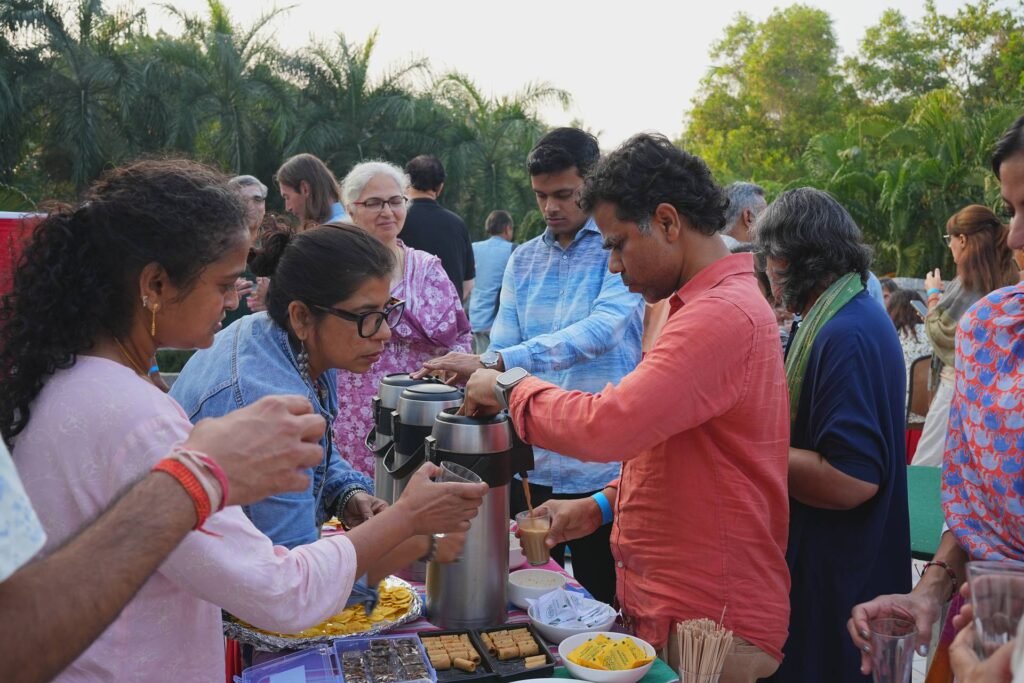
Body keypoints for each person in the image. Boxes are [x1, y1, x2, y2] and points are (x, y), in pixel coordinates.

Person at [1, 159, 486, 682]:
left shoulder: (83, 374)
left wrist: (348, 495)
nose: (234, 300)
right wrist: (408, 521)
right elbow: (282, 593)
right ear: (156, 285)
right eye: (224, 284)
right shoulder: (145, 416)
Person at [460, 133, 790, 682]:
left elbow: (610, 426)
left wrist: (507, 386)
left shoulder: (720, 315)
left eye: (616, 245)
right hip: (671, 604)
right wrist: (599, 507)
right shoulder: (685, 307)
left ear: (665, 222)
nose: (612, 266)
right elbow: (678, 450)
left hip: (710, 616)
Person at [415, 128, 644, 605]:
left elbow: (600, 330)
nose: (550, 208)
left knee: (601, 602)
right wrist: (492, 368)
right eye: (541, 196)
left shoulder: (617, 249)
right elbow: (504, 338)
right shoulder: (523, 260)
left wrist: (496, 363)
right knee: (527, 594)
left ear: (593, 183)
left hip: (600, 469)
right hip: (531, 459)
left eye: (564, 194)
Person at [849, 113, 1024, 683]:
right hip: (983, 627)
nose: (1016, 236)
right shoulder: (993, 328)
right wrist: (929, 591)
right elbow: (975, 505)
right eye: (1013, 210)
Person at [0, 396, 329, 683]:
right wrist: (194, 480)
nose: (383, 333)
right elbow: (279, 588)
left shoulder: (76, 390)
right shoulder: (141, 416)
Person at [172, 226, 441, 552]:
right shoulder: (270, 408)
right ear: (301, 316)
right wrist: (404, 520)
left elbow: (319, 454)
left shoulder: (288, 343)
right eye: (366, 316)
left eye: (386, 310)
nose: (384, 332)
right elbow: (288, 576)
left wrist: (346, 491)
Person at [753, 188, 910, 682]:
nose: (767, 274)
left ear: (788, 258)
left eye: (769, 260)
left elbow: (850, 478)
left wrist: (747, 447)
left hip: (842, 581)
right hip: (834, 572)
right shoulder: (843, 314)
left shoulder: (847, 331)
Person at [334, 161, 472, 478]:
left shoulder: (426, 267)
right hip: (351, 410)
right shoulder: (334, 267)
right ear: (351, 208)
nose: (388, 211)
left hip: (418, 410)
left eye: (396, 201)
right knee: (355, 501)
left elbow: (460, 337)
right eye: (374, 203)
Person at [912, 204, 1018, 467]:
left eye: (950, 239)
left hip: (956, 385)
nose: (950, 247)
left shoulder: (970, 281)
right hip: (998, 391)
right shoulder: (1009, 272)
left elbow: (946, 334)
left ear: (963, 239)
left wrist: (934, 294)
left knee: (924, 465)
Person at [400, 154, 476, 301]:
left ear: (405, 182)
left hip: (404, 318)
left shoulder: (394, 220)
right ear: (440, 187)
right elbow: (467, 284)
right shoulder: (458, 224)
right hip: (448, 318)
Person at [468, 210, 516, 353]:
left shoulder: (473, 248)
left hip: (475, 317)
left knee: (479, 362)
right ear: (507, 228)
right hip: (499, 322)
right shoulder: (513, 250)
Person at [226, 174, 269, 321]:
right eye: (242, 200)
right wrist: (221, 291)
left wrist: (273, 302)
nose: (250, 206)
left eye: (257, 199)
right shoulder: (212, 249)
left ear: (265, 206)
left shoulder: (278, 248)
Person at [276, 153, 348, 228]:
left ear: (305, 189)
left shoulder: (324, 234)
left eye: (287, 197)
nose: (287, 208)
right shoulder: (352, 224)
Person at [719, 181, 767, 248]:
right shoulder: (749, 256)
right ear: (748, 217)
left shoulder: (706, 250)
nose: (768, 225)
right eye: (764, 218)